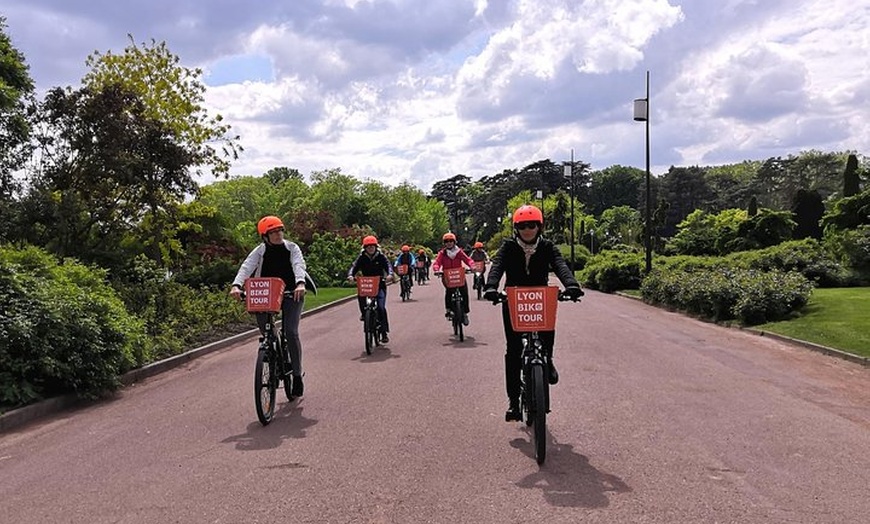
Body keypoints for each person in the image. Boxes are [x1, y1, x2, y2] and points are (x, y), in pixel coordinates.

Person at [483, 205, 583, 422]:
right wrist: (491, 287)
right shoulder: (508, 247)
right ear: (515, 228)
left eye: (532, 225)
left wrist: (572, 285)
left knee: (546, 333)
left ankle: (548, 358)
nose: (527, 230)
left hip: (540, 300)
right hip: (514, 301)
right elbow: (497, 266)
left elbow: (560, 266)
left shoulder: (547, 247)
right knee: (513, 351)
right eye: (522, 226)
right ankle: (513, 401)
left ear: (540, 226)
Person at [230, 215, 313, 398]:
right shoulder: (259, 251)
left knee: (291, 332)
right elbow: (246, 267)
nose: (278, 235)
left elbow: (299, 265)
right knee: (266, 330)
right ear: (265, 236)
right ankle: (273, 352)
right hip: (267, 293)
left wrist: (300, 283)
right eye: (273, 232)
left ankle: (297, 375)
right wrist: (237, 285)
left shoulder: (292, 248)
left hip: (293, 293)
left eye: (280, 230)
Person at [347, 235, 393, 343]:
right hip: (366, 285)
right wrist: (350, 275)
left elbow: (388, 266)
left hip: (380, 285)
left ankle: (383, 332)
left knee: (381, 307)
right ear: (365, 248)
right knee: (361, 297)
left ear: (376, 247)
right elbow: (354, 267)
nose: (371, 248)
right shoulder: (361, 257)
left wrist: (390, 275)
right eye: (368, 247)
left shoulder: (381, 257)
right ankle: (364, 314)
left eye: (372, 246)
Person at [431, 232, 474, 325]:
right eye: (446, 241)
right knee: (449, 292)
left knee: (464, 292)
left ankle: (465, 313)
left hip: (459, 276)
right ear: (444, 243)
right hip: (447, 277)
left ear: (454, 242)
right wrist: (436, 269)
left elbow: (468, 260)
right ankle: (449, 310)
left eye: (451, 241)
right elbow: (437, 263)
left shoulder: (459, 252)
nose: (449, 243)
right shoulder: (442, 254)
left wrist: (472, 266)